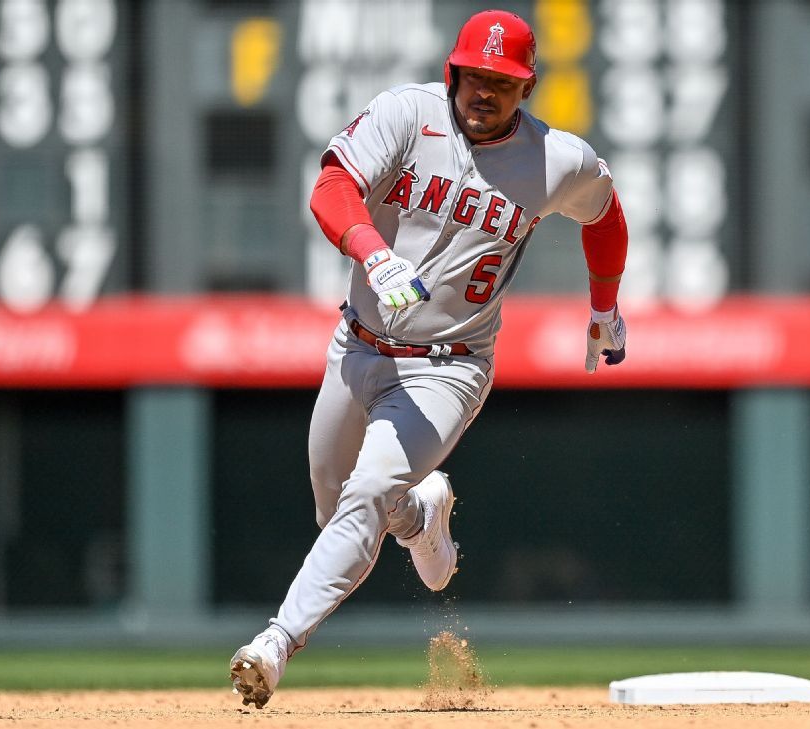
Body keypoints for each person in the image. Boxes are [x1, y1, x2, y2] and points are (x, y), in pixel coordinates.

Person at [229, 8, 630, 708]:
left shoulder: (554, 159)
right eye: (474, 76)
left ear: (527, 88)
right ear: (453, 72)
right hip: (358, 345)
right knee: (334, 505)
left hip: (450, 364)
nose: (484, 92)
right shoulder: (406, 115)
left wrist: (603, 306)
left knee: (364, 495)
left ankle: (275, 643)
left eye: (501, 82)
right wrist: (372, 252)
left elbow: (606, 214)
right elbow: (332, 187)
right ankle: (420, 515)